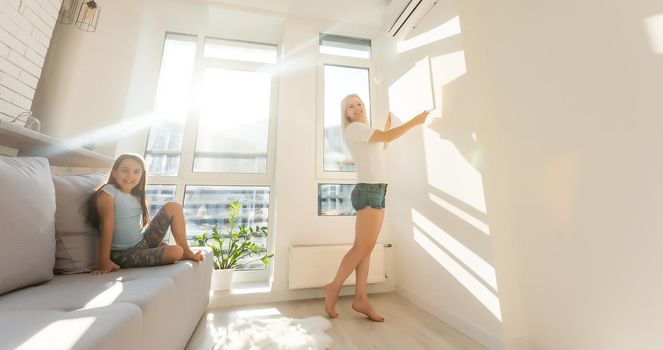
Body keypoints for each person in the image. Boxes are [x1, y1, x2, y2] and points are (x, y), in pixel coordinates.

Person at [324, 94, 429, 322]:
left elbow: (383, 143)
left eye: (359, 103)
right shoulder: (354, 129)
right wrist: (415, 121)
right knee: (361, 247)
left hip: (377, 190)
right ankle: (333, 287)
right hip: (369, 191)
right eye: (351, 106)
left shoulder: (364, 130)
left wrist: (388, 127)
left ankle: (360, 298)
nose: (357, 108)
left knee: (366, 247)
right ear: (346, 113)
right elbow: (386, 137)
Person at [87, 153, 204, 275]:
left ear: (142, 175)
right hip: (123, 253)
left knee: (174, 207)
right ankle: (176, 251)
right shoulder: (108, 192)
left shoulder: (137, 195)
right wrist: (104, 260)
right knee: (175, 252)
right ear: (114, 172)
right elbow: (107, 224)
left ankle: (186, 251)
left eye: (136, 172)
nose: (130, 175)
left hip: (143, 242)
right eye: (125, 170)